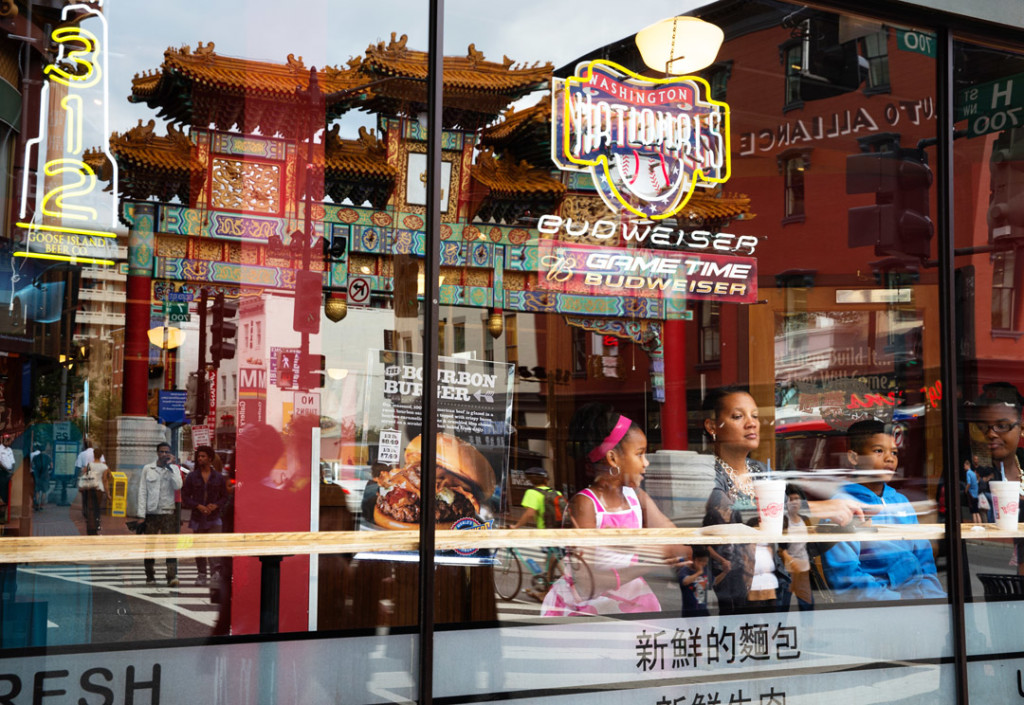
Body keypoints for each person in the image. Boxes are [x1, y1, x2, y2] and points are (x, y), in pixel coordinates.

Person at [702, 386, 865, 614]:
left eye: (755, 416)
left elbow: (793, 535)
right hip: (732, 595)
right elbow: (735, 515)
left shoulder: (763, 472)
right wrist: (820, 508)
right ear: (712, 427)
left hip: (776, 591)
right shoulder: (707, 473)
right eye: (738, 416)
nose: (752, 423)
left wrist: (843, 527)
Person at [541, 403, 686, 617]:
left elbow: (676, 542)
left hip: (630, 600)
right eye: (639, 454)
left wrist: (669, 551)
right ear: (613, 458)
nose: (646, 463)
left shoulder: (638, 498)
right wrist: (649, 563)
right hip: (587, 607)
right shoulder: (585, 504)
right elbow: (587, 583)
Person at [821, 419, 945, 601]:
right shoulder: (841, 506)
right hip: (878, 608)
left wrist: (934, 598)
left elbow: (924, 559)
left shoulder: (901, 502)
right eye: (879, 451)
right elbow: (846, 575)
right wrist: (896, 603)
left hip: (920, 602)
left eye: (894, 452)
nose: (890, 458)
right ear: (854, 457)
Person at [966, 382, 1024, 573]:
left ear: (1021, 428)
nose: (991, 434)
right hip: (994, 575)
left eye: (1002, 426)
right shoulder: (969, 468)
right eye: (983, 427)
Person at [510, 467, 564, 600]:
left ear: (531, 481)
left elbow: (530, 513)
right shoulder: (556, 492)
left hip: (546, 532)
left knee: (554, 561)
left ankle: (568, 583)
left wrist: (516, 526)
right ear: (546, 480)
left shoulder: (532, 493)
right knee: (551, 561)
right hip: (561, 531)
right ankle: (547, 591)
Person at [181, 445, 229, 586]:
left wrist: (215, 505)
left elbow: (224, 497)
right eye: (199, 456)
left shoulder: (218, 478)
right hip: (198, 517)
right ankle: (202, 574)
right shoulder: (192, 477)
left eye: (203, 456)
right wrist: (198, 506)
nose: (200, 459)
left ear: (210, 458)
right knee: (200, 547)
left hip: (214, 518)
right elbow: (185, 496)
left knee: (214, 545)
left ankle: (216, 573)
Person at [138, 442, 184, 587]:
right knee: (150, 546)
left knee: (170, 547)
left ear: (170, 454)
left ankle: (171, 576)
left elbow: (178, 486)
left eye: (167, 452)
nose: (164, 454)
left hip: (168, 512)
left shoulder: (174, 469)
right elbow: (142, 491)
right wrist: (141, 514)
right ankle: (150, 575)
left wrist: (170, 467)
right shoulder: (148, 469)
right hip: (152, 513)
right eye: (161, 452)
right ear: (157, 453)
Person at [779, 485, 814, 611]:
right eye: (791, 499)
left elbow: (810, 543)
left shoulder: (805, 520)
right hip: (788, 568)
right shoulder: (783, 520)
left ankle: (808, 630)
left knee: (807, 602)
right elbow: (779, 546)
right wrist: (790, 560)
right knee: (784, 602)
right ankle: (781, 628)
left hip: (804, 567)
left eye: (797, 499)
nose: (794, 502)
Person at [77, 442, 111, 535]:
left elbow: (85, 475)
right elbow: (105, 480)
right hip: (99, 490)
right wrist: (108, 493)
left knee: (90, 508)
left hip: (89, 488)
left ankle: (90, 528)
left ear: (94, 455)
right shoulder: (104, 467)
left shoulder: (89, 465)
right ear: (101, 456)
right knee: (96, 509)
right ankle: (95, 529)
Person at [677, 545, 719, 617]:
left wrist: (725, 572)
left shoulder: (705, 570)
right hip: (690, 611)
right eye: (702, 561)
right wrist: (699, 573)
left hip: (703, 610)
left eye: (706, 562)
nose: (704, 564)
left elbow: (713, 582)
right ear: (694, 560)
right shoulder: (685, 570)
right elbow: (685, 581)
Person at [31, 443, 51, 511]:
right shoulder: (48, 457)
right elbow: (51, 466)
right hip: (45, 475)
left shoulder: (35, 457)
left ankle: (36, 504)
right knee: (44, 491)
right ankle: (41, 505)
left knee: (37, 491)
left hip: (37, 475)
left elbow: (32, 465)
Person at [963, 458, 982, 523]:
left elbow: (969, 483)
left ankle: (975, 525)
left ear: (967, 465)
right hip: (976, 494)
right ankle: (980, 524)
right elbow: (977, 481)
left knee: (973, 512)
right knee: (977, 511)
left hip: (971, 494)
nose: (964, 467)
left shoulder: (968, 473)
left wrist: (966, 490)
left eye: (964, 466)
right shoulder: (973, 473)